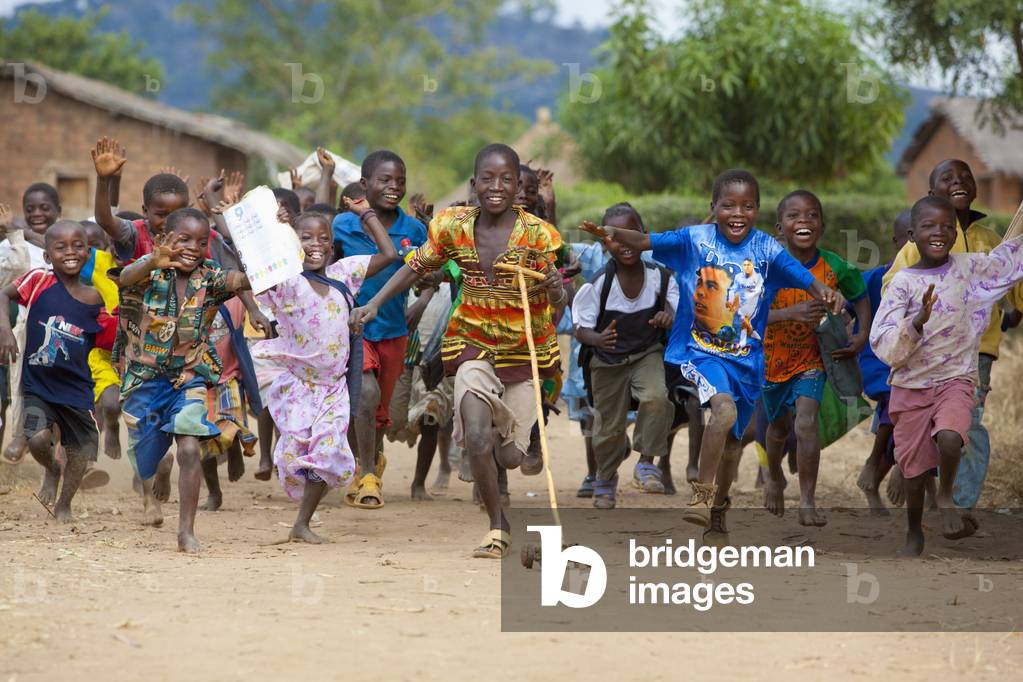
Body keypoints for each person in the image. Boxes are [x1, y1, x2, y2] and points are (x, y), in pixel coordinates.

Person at [581, 169, 842, 543]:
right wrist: (614, 234)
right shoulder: (693, 240)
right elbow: (644, 240)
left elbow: (803, 277)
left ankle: (718, 509)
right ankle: (702, 496)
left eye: (748, 206)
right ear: (713, 207)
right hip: (701, 353)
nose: (738, 213)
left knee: (733, 446)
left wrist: (824, 291)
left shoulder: (767, 249)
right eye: (728, 205)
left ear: (757, 210)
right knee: (723, 412)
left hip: (747, 363)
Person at [351, 143, 565, 558]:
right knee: (478, 436)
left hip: (526, 354)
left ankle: (515, 444)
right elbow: (416, 266)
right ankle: (497, 525)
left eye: (507, 179)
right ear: (474, 183)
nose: (497, 187)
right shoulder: (453, 226)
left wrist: (555, 290)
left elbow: (557, 295)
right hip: (473, 345)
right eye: (488, 178)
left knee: (509, 457)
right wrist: (374, 304)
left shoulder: (537, 234)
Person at [871, 195, 1023, 555]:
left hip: (956, 379)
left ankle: (945, 496)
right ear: (911, 234)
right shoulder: (903, 283)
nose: (939, 232)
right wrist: (916, 323)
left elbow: (1008, 261)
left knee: (952, 437)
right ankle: (914, 530)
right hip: (911, 386)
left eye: (946, 226)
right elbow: (883, 338)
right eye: (928, 226)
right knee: (912, 468)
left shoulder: (968, 269)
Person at [251, 203, 396, 541]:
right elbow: (256, 268)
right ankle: (300, 511)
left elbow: (388, 254)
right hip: (298, 387)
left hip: (333, 388)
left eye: (323, 238)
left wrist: (367, 215)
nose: (315, 244)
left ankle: (302, 523)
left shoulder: (344, 275)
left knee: (327, 451)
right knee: (294, 456)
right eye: (305, 238)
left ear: (332, 246)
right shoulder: (286, 282)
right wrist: (277, 233)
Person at [114, 208, 252, 552]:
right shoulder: (148, 272)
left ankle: (186, 531)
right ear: (164, 239)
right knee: (152, 457)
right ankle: (157, 476)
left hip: (187, 377)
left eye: (201, 242)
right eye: (184, 239)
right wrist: (151, 262)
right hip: (144, 380)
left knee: (189, 447)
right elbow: (125, 278)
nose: (193, 247)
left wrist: (270, 246)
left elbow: (243, 279)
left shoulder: (209, 277)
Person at [761, 190, 871, 526]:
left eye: (812, 215)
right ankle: (774, 475)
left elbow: (861, 296)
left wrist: (861, 334)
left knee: (806, 423)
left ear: (821, 225)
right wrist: (790, 313)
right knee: (778, 428)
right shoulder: (766, 266)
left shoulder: (835, 266)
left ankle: (807, 501)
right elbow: (747, 314)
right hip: (770, 361)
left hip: (812, 359)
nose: (803, 221)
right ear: (780, 228)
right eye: (793, 216)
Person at [333, 150, 427, 509]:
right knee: (365, 396)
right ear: (364, 184)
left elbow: (426, 272)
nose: (394, 187)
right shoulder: (342, 225)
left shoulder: (415, 230)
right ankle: (367, 472)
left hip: (393, 330)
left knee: (381, 414)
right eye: (385, 180)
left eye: (400, 181)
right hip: (353, 329)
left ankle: (370, 459)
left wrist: (422, 300)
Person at [0, 221, 110, 522]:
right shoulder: (38, 280)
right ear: (48, 256)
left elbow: (106, 338)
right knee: (36, 439)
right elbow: (4, 295)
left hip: (77, 389)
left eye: (78, 245)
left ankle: (64, 503)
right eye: (61, 247)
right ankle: (52, 467)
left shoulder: (94, 298)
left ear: (88, 253)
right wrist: (5, 329)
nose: (70, 252)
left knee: (80, 451)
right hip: (39, 385)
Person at [574, 203, 678, 508]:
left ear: (644, 235)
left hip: (647, 353)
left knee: (657, 398)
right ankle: (605, 478)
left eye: (631, 234)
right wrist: (598, 338)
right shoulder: (598, 285)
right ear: (605, 244)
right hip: (607, 361)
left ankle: (647, 460)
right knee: (607, 428)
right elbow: (581, 329)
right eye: (615, 238)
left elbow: (674, 307)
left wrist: (667, 317)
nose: (624, 244)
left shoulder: (661, 277)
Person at [855, 209, 915, 514]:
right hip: (878, 362)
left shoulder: (937, 279)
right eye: (909, 237)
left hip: (912, 365)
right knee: (897, 402)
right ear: (896, 241)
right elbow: (847, 303)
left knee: (906, 421)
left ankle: (875, 481)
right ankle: (883, 463)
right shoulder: (876, 278)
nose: (915, 243)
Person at [1, 184, 59, 464]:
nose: (37, 213)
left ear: (58, 211)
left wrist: (18, 229)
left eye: (45, 208)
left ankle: (64, 454)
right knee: (21, 383)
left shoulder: (66, 244)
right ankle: (21, 435)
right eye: (30, 209)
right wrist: (14, 235)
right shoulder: (13, 245)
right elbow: (13, 278)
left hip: (58, 328)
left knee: (56, 387)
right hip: (24, 329)